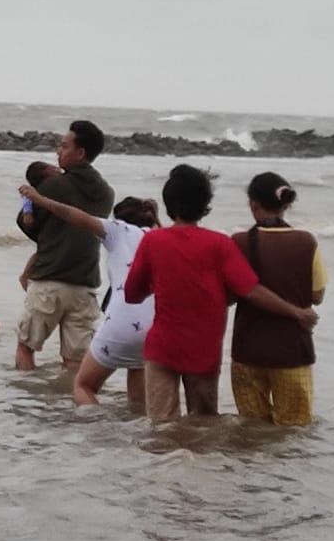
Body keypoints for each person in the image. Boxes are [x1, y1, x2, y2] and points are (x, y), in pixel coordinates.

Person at [123, 165, 318, 422]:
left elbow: (132, 294)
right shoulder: (220, 245)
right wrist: (297, 313)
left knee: (162, 428)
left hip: (162, 349)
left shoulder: (153, 241)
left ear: (169, 202)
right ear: (205, 203)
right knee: (204, 427)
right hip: (203, 352)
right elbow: (251, 291)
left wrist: (162, 282)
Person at [18, 185, 160, 406]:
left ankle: (95, 432)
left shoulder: (117, 229)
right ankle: (136, 436)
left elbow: (74, 215)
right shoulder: (161, 236)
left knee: (83, 386)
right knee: (138, 401)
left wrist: (41, 200)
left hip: (122, 323)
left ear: (120, 218)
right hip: (155, 327)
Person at [15, 121, 115, 371]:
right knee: (75, 361)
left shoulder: (53, 186)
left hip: (50, 279)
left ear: (80, 153)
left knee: (26, 347)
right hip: (85, 285)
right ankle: (70, 408)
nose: (57, 152)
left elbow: (26, 223)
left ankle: (26, 404)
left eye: (63, 146)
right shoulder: (106, 192)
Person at [230, 172, 328, 426]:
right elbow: (317, 296)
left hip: (247, 351)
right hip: (292, 352)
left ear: (253, 203)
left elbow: (230, 294)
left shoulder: (238, 242)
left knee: (251, 432)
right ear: (286, 205)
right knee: (293, 432)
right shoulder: (306, 242)